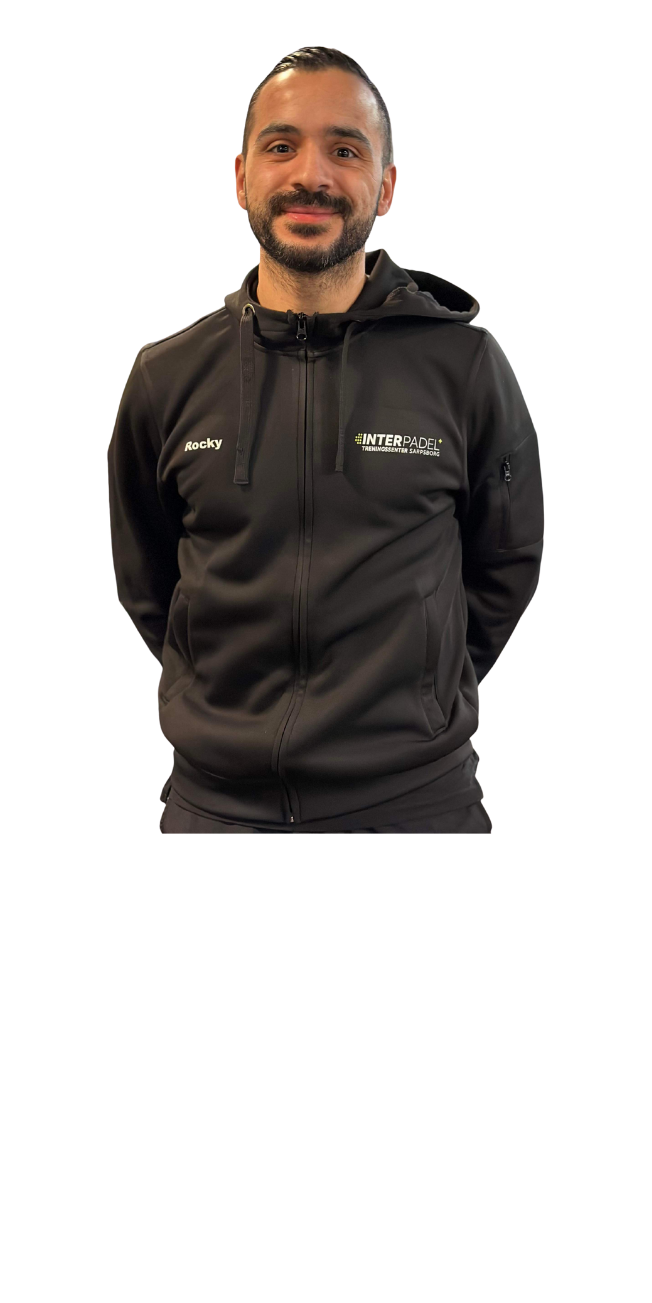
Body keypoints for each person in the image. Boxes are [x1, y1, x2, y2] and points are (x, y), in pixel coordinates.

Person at [107, 47, 544, 832]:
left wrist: (417, 697)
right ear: (241, 176)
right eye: (281, 146)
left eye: (345, 150)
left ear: (385, 185)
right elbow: (149, 582)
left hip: (417, 809)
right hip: (214, 814)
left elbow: (504, 563)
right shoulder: (165, 377)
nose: (310, 175)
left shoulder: (464, 367)